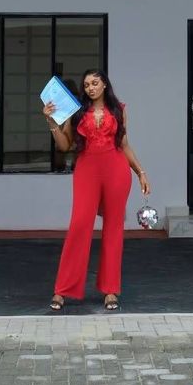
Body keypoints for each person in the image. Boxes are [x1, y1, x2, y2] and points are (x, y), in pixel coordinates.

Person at [43, 69, 150, 312]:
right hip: (87, 171)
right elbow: (64, 146)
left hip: (116, 171)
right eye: (87, 85)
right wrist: (51, 122)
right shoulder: (77, 113)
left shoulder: (118, 110)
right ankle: (62, 290)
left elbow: (124, 145)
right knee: (79, 225)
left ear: (104, 85)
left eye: (95, 83)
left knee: (114, 228)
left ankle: (110, 290)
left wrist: (140, 172)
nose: (90, 88)